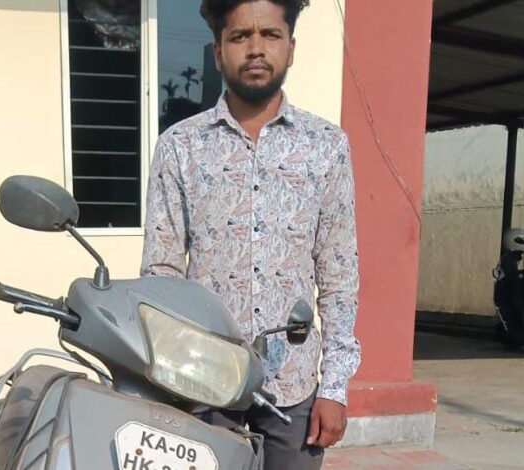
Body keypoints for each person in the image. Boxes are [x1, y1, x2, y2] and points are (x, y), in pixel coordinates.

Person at [140, 0, 361, 468]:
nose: (256, 48)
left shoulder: (326, 147)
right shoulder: (180, 147)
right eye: (240, 36)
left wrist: (335, 387)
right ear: (218, 52)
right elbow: (160, 274)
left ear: (291, 48)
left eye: (270, 35)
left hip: (293, 390)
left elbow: (339, 275)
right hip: (202, 384)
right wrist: (165, 379)